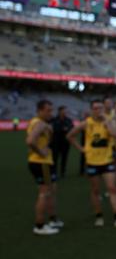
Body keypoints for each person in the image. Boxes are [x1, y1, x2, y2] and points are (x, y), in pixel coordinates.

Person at [67, 100, 116, 229]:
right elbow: (70, 136)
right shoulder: (86, 123)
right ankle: (99, 216)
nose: (98, 111)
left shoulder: (109, 121)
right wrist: (82, 149)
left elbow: (115, 135)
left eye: (100, 108)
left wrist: (107, 122)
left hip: (108, 160)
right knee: (95, 190)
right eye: (95, 108)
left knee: (112, 188)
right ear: (91, 110)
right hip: (92, 162)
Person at [27, 99, 63, 235]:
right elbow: (30, 141)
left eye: (51, 110)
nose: (50, 113)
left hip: (44, 162)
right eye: (48, 110)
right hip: (41, 163)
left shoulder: (41, 123)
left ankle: (52, 219)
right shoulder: (39, 123)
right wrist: (41, 152)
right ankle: (40, 226)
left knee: (51, 191)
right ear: (40, 111)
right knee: (44, 193)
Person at [50, 106, 73, 178]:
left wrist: (64, 129)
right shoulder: (54, 120)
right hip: (55, 142)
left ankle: (63, 172)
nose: (65, 112)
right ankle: (54, 173)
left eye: (66, 111)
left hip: (65, 143)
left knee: (64, 158)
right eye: (64, 111)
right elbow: (54, 129)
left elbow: (71, 128)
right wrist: (63, 129)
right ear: (60, 111)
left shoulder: (68, 120)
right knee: (54, 158)